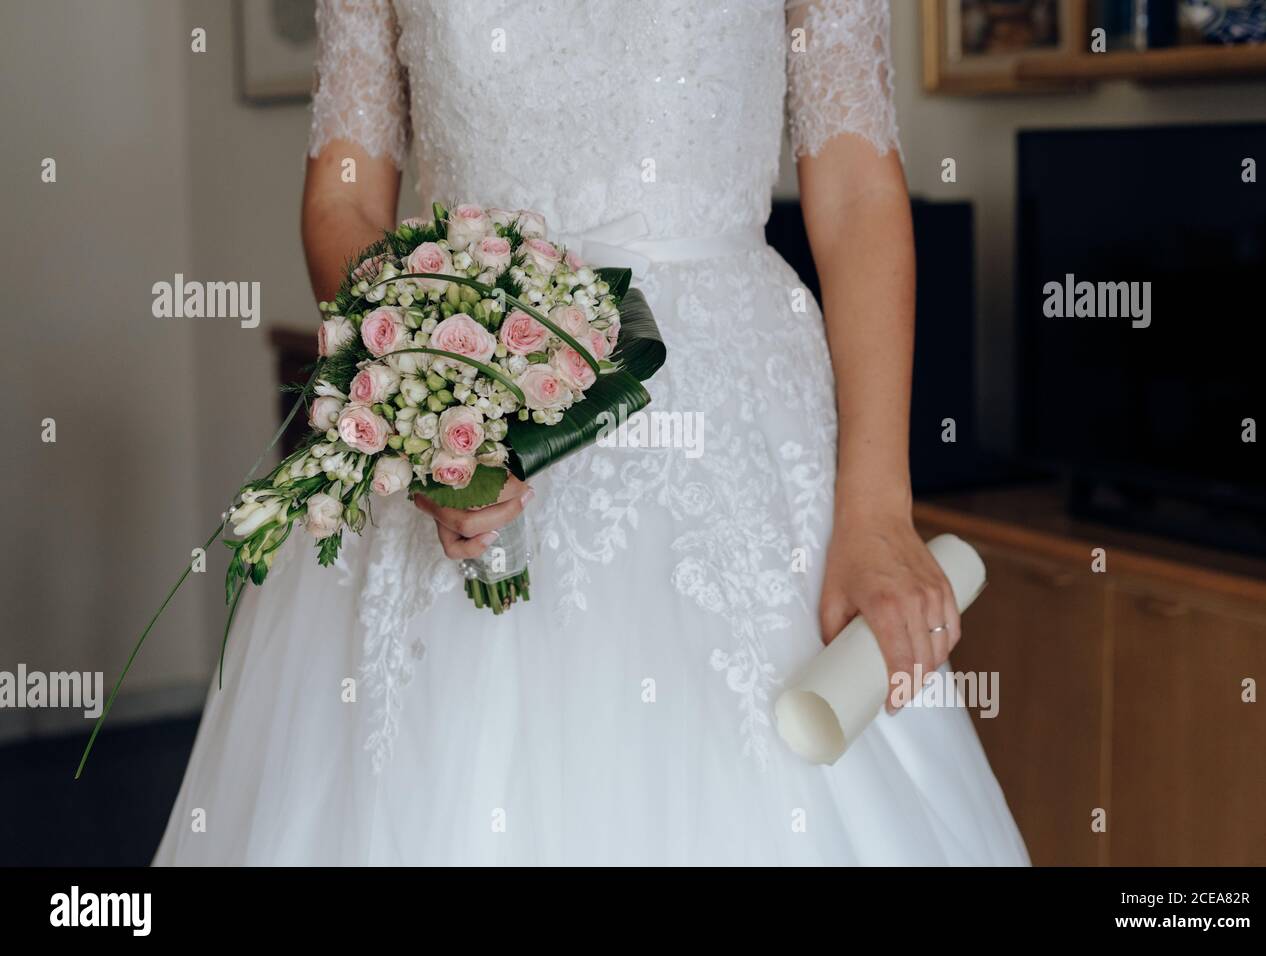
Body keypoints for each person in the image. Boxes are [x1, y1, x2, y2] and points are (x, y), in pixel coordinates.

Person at [155, 0, 1029, 865]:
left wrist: (877, 512)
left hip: (736, 430)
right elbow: (342, 200)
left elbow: (857, 192)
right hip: (468, 392)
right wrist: (424, 411)